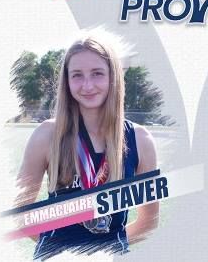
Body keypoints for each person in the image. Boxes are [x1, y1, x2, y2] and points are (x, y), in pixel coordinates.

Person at [16, 35, 159, 258]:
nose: (87, 85)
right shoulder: (47, 135)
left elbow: (149, 220)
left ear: (113, 77)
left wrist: (107, 250)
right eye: (77, 76)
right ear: (67, 81)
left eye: (97, 73)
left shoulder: (140, 140)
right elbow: (20, 212)